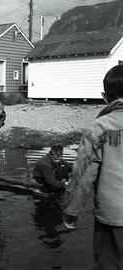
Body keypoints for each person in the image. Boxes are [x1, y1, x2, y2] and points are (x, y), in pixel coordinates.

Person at [62, 65, 123, 269]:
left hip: (113, 219)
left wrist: (71, 210)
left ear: (104, 97)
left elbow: (83, 174)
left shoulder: (100, 127)